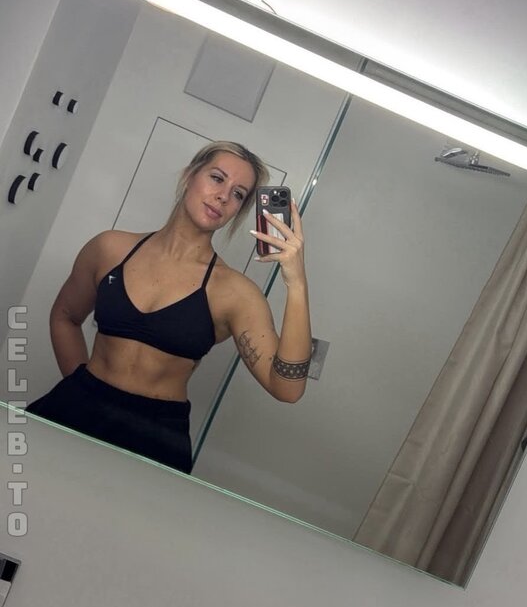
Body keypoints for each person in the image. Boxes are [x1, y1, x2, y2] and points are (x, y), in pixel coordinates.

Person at [25, 141, 312, 474]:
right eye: (217, 178)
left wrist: (296, 282)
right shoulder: (109, 248)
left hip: (155, 436)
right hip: (75, 408)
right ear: (189, 175)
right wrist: (81, 387)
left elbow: (287, 388)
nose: (223, 196)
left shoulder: (234, 293)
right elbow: (65, 316)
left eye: (237, 194)